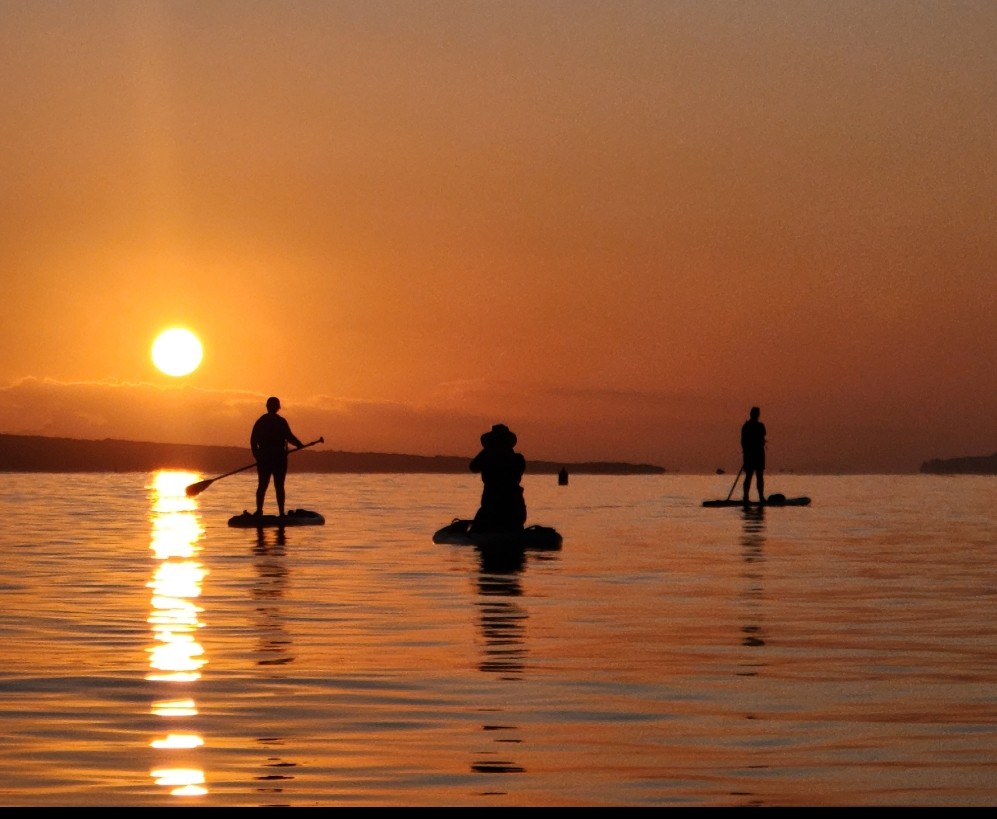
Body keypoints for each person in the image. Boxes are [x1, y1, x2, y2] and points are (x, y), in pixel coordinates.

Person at [250, 396, 304, 517]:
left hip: (265, 459)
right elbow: (289, 436)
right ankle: (280, 513)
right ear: (278, 407)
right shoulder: (280, 421)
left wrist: (257, 456)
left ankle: (259, 511)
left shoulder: (261, 421)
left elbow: (253, 441)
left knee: (262, 485)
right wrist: (299, 444)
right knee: (278, 486)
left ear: (267, 407)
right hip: (278, 459)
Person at [469, 423, 527, 533]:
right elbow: (473, 467)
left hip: (494, 509)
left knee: (477, 530)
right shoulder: (518, 459)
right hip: (514, 509)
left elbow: (473, 466)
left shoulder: (490, 458)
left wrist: (487, 450)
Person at [740, 406, 767, 503]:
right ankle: (746, 497)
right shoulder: (746, 426)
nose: (757, 415)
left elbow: (762, 438)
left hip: (758, 454)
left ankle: (761, 497)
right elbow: (743, 442)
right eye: (756, 413)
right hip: (750, 455)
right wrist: (747, 451)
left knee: (759, 476)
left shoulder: (760, 426)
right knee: (749, 475)